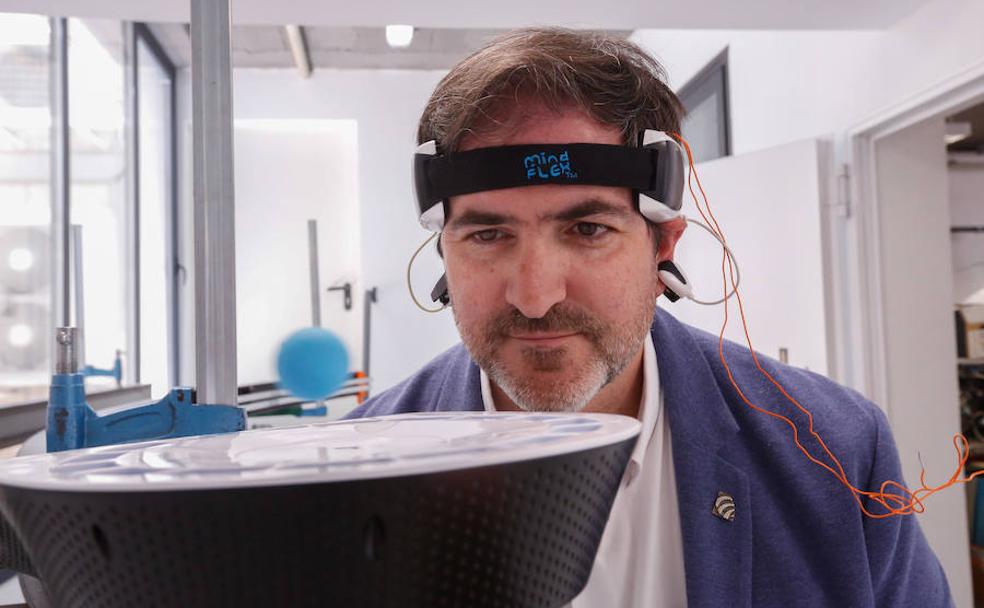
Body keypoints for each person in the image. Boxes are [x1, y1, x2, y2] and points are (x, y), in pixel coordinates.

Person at [346, 28, 952, 607]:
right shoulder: (353, 478)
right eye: (487, 234)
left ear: (664, 245)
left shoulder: (834, 452)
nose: (535, 296)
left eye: (588, 230)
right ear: (443, 252)